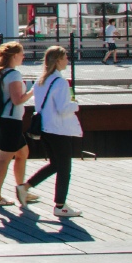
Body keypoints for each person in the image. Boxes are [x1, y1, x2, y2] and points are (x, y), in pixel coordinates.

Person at [18, 46, 83, 218]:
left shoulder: (41, 81)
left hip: (45, 128)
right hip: (59, 129)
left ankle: (25, 187)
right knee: (64, 168)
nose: (67, 60)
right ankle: (60, 205)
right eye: (65, 58)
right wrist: (75, 104)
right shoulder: (60, 82)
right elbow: (63, 109)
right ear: (57, 61)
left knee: (55, 164)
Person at [0, 42, 38, 207]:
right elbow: (17, 100)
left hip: (2, 120)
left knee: (23, 153)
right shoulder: (14, 75)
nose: (24, 56)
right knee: (4, 159)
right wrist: (33, 91)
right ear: (14, 56)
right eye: (22, 54)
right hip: (11, 122)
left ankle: (21, 190)